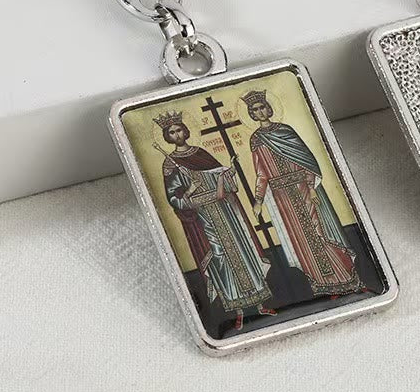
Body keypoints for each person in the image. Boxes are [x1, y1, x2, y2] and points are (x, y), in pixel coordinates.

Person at [155, 110, 275, 330]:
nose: (177, 134)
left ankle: (260, 305)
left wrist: (227, 173)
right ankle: (238, 312)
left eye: (179, 129)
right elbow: (173, 199)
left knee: (242, 251)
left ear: (185, 130)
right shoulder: (170, 165)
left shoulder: (201, 153)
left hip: (226, 212)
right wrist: (190, 190)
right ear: (167, 136)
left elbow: (223, 180)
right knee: (220, 259)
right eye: (172, 132)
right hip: (204, 218)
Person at [243, 90, 363, 298]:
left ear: (268, 108)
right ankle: (322, 282)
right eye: (255, 110)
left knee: (319, 231)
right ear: (251, 114)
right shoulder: (256, 140)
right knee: (302, 240)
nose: (260, 112)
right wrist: (258, 200)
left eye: (262, 107)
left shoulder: (285, 131)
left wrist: (311, 188)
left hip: (303, 188)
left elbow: (305, 160)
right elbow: (261, 173)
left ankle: (346, 278)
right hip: (282, 197)